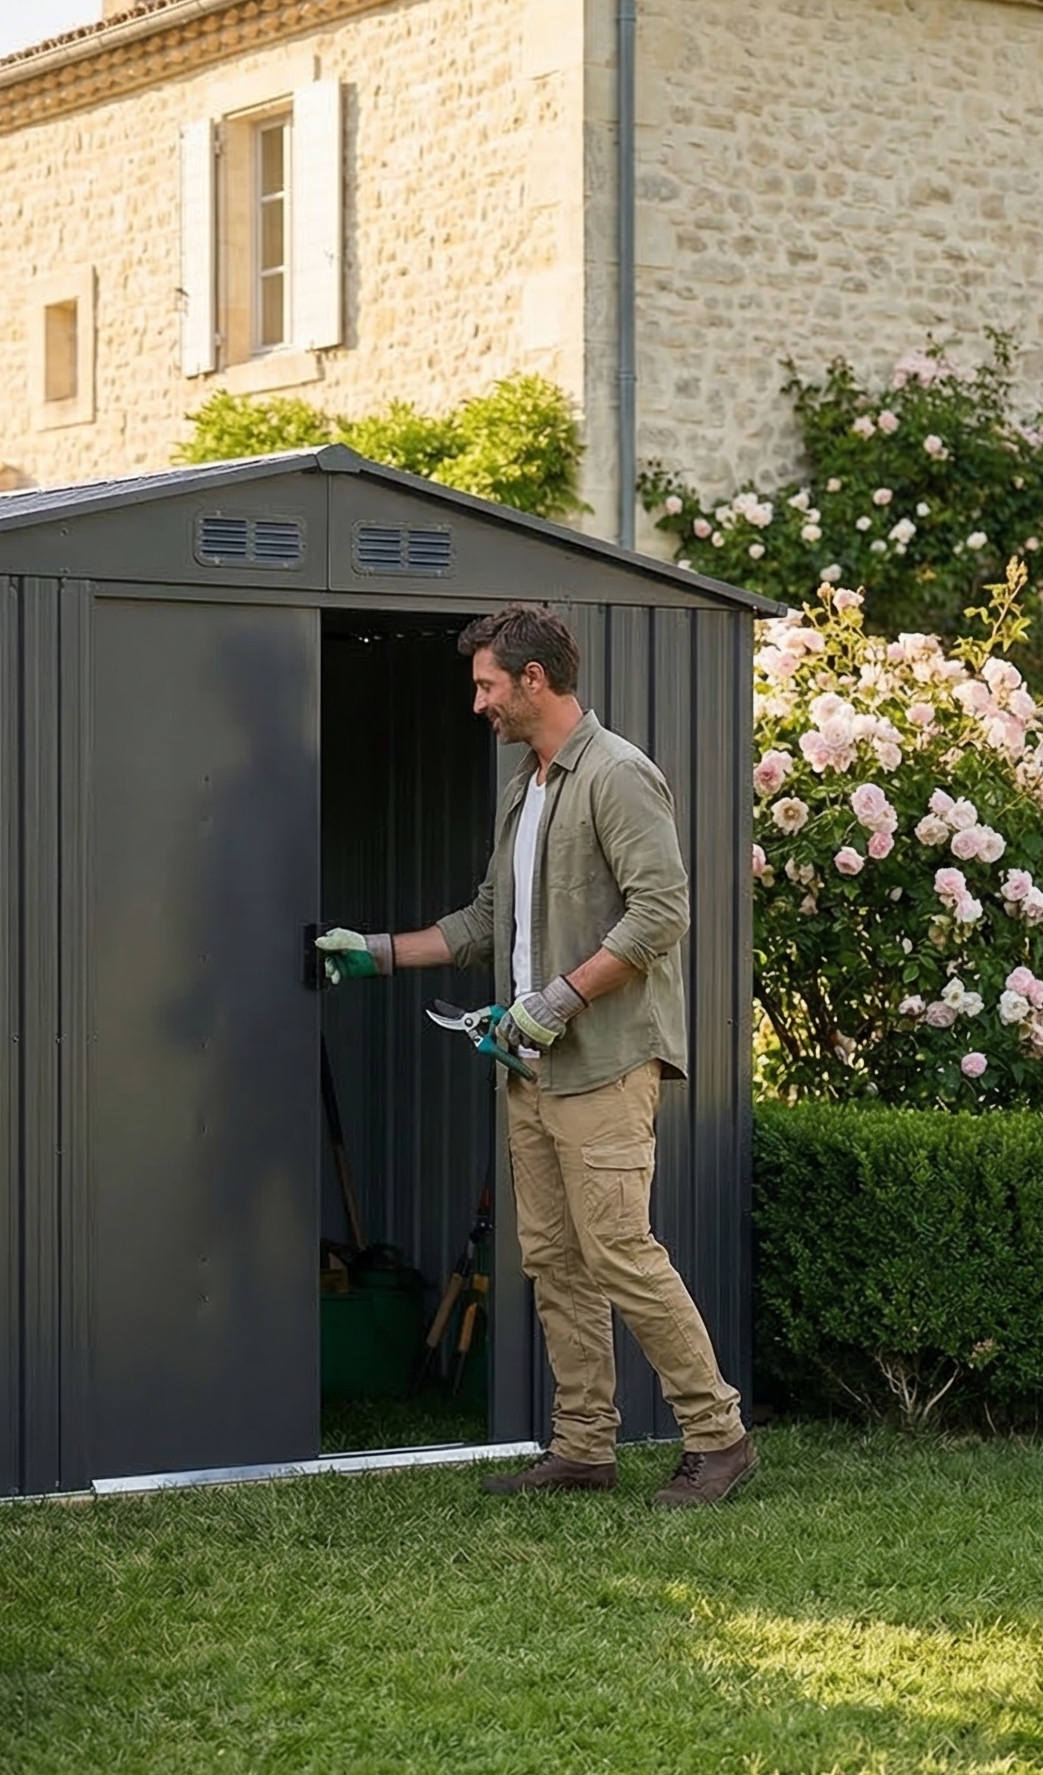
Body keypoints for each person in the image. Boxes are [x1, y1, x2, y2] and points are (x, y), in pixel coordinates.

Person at [315, 601, 754, 1507]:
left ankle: (717, 1437)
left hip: (603, 1059)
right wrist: (380, 952)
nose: (477, 704)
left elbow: (662, 913)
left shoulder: (618, 775)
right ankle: (584, 1447)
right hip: (531, 1062)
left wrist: (557, 999)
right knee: (554, 1259)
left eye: (485, 686)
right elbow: (489, 921)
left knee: (622, 1249)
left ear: (534, 680)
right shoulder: (531, 784)